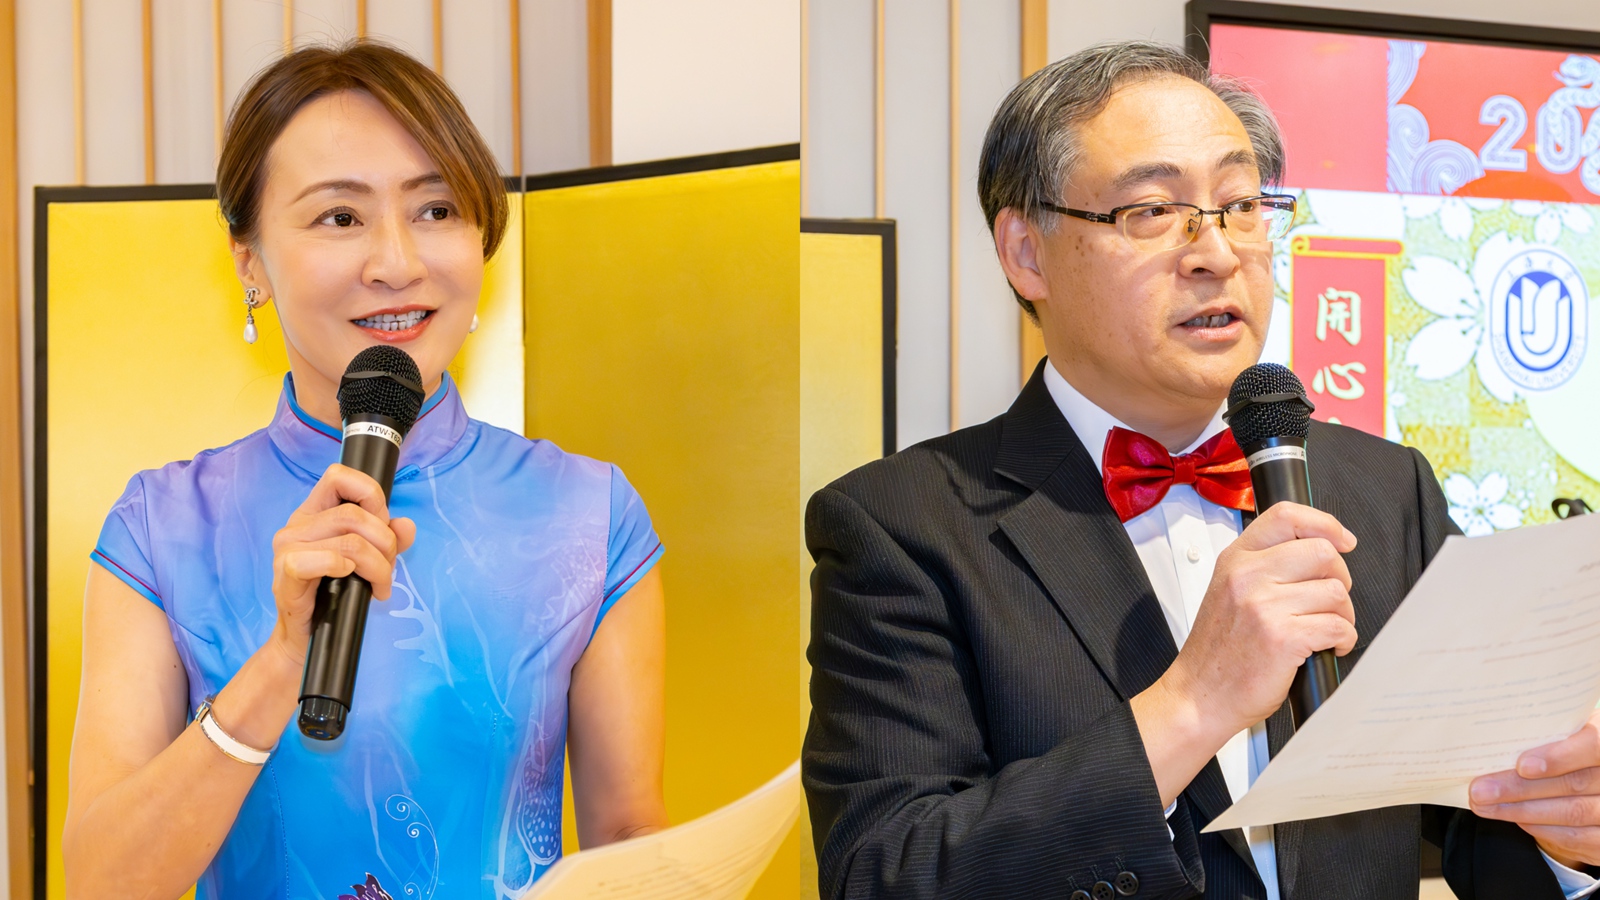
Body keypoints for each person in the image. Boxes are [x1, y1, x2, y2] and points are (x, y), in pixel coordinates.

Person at [803, 41, 1600, 900]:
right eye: (1154, 209)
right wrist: (1193, 702)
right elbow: (885, 873)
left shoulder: (1385, 490)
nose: (1217, 253)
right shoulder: (902, 526)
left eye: (1241, 204)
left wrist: (1565, 831)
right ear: (1027, 252)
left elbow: (1478, 824)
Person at [61, 41, 667, 899]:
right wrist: (283, 661)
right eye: (340, 217)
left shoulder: (589, 513)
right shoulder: (161, 529)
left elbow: (629, 840)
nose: (397, 262)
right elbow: (100, 882)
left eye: (435, 209)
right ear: (248, 259)